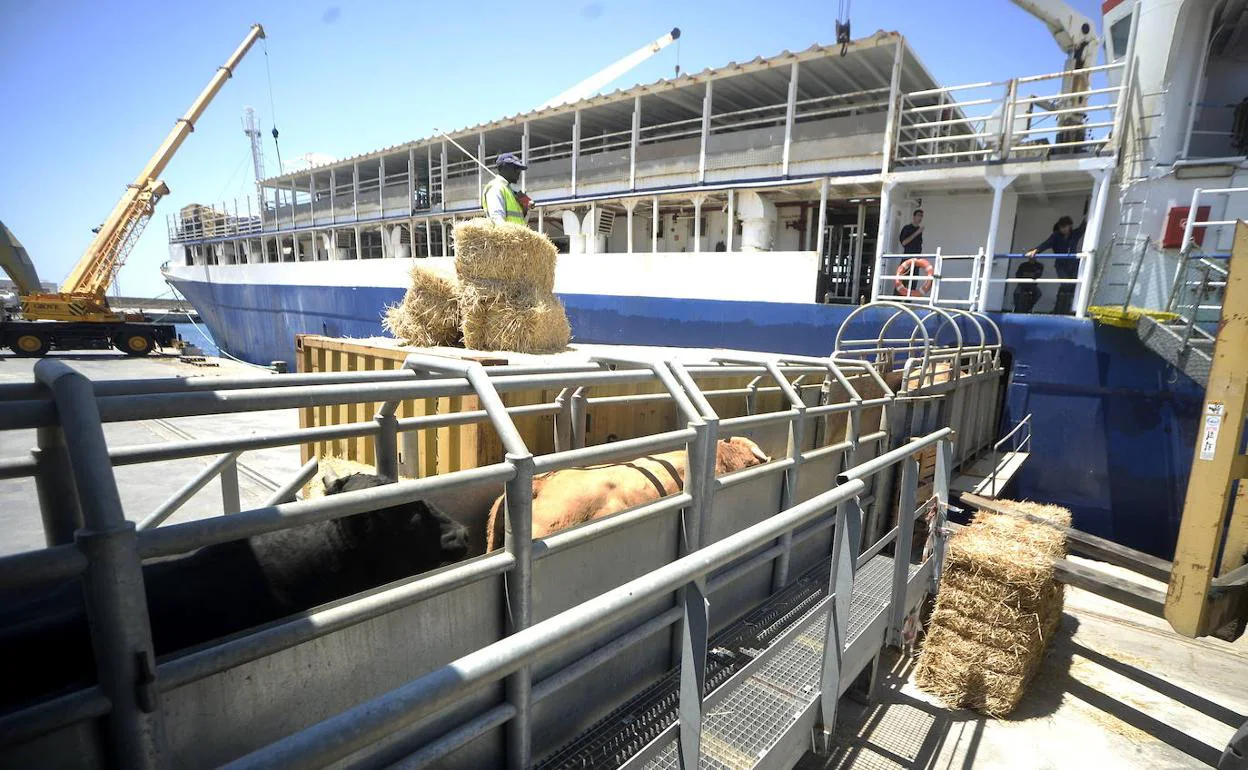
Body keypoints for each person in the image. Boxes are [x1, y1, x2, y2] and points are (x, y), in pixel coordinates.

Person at [1025, 215, 1087, 315]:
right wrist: (1036, 250)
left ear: (1069, 226)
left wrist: (1087, 216)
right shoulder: (1056, 236)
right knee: (1065, 285)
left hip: (1073, 264)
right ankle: (1058, 310)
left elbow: (1082, 228)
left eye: (1064, 227)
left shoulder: (1074, 234)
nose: (1062, 229)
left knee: (1072, 287)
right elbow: (1046, 244)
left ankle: (1066, 310)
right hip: (1061, 265)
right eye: (1061, 227)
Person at [482, 153, 531, 225]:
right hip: (507, 236)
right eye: (516, 168)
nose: (519, 172)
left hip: (515, 235)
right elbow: (497, 219)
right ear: (505, 168)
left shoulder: (509, 191)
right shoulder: (496, 188)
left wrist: (525, 208)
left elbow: (520, 223)